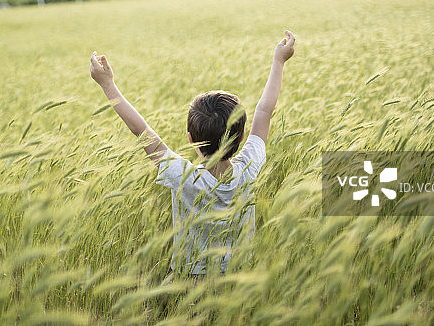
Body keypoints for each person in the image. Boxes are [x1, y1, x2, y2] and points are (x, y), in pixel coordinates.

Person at [89, 30, 296, 277]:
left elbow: (141, 130)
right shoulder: (250, 167)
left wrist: (107, 84)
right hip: (239, 279)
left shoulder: (183, 177)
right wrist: (279, 61)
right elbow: (264, 112)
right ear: (241, 138)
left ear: (190, 139)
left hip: (191, 282)